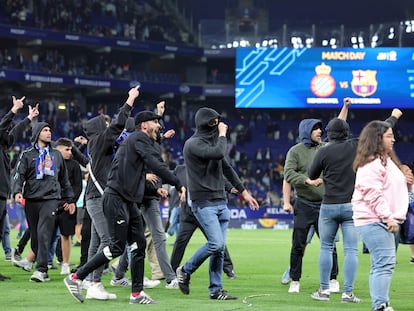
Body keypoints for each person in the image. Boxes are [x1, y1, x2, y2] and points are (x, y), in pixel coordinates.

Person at [64, 110, 186, 304]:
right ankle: (75, 278)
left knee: (138, 245)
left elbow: (142, 167)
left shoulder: (137, 142)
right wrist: (178, 183)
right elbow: (154, 162)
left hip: (129, 201)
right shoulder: (137, 138)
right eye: (155, 122)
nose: (159, 125)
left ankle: (136, 294)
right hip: (116, 198)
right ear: (144, 125)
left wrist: (156, 190)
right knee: (116, 247)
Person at [309, 101, 403, 303]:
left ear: (329, 134)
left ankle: (324, 291)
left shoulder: (323, 151)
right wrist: (394, 116)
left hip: (328, 205)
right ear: (347, 132)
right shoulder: (356, 146)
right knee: (351, 249)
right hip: (351, 205)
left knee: (326, 247)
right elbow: (379, 131)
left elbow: (311, 174)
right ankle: (348, 293)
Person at [176, 107, 259, 300]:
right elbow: (218, 154)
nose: (217, 125)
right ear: (204, 123)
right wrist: (222, 135)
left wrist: (244, 192)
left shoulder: (214, 143)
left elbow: (227, 168)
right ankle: (185, 270)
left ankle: (216, 289)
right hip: (203, 201)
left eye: (218, 122)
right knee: (216, 243)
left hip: (221, 200)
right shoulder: (192, 144)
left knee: (219, 249)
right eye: (213, 122)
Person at [283, 101, 351, 294]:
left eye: (321, 129)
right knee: (298, 244)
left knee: (330, 245)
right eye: (316, 129)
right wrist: (308, 181)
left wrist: (345, 108)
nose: (320, 132)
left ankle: (333, 279)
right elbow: (288, 174)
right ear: (306, 131)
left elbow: (339, 127)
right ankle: (295, 280)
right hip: (303, 205)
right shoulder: (295, 151)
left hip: (325, 206)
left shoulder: (325, 147)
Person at [80, 86, 139, 300]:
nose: (109, 128)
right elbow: (118, 126)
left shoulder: (100, 145)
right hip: (98, 198)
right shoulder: (98, 141)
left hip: (96, 197)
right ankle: (94, 282)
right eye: (104, 125)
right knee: (108, 241)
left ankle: (87, 279)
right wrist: (130, 99)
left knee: (96, 242)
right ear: (98, 128)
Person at [352, 120, 413, 311]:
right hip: (376, 220)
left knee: (381, 263)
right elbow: (372, 192)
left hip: (381, 219)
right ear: (378, 139)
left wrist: (408, 184)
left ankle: (381, 303)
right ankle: (380, 305)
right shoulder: (372, 163)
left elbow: (390, 189)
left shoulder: (385, 161)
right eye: (389, 136)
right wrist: (388, 217)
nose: (394, 139)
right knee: (384, 263)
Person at [13, 121, 74, 282]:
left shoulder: (56, 155)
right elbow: (19, 175)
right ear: (37, 133)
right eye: (45, 130)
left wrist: (70, 199)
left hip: (51, 199)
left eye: (49, 130)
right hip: (32, 199)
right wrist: (17, 192)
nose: (49, 133)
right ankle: (39, 264)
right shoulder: (27, 154)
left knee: (44, 232)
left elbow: (64, 179)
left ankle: (42, 270)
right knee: (35, 235)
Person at [170, 164, 237, 279]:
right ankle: (171, 271)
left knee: (217, 241)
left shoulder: (204, 167)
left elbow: (218, 179)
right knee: (180, 242)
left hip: (203, 213)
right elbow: (170, 178)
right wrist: (177, 188)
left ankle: (229, 269)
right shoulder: (179, 169)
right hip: (188, 214)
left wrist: (230, 187)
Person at [0, 96, 38, 281]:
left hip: (1, 193)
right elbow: (4, 128)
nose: (9, 138)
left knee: (1, 232)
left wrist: (28, 119)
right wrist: (14, 110)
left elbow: (13, 132)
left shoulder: (3, 146)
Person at [54, 137, 82, 274]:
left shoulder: (74, 165)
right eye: (67, 149)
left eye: (71, 149)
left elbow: (78, 186)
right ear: (58, 150)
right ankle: (43, 263)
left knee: (66, 235)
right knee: (45, 235)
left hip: (68, 204)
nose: (70, 152)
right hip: (51, 202)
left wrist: (72, 201)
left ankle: (65, 264)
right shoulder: (50, 163)